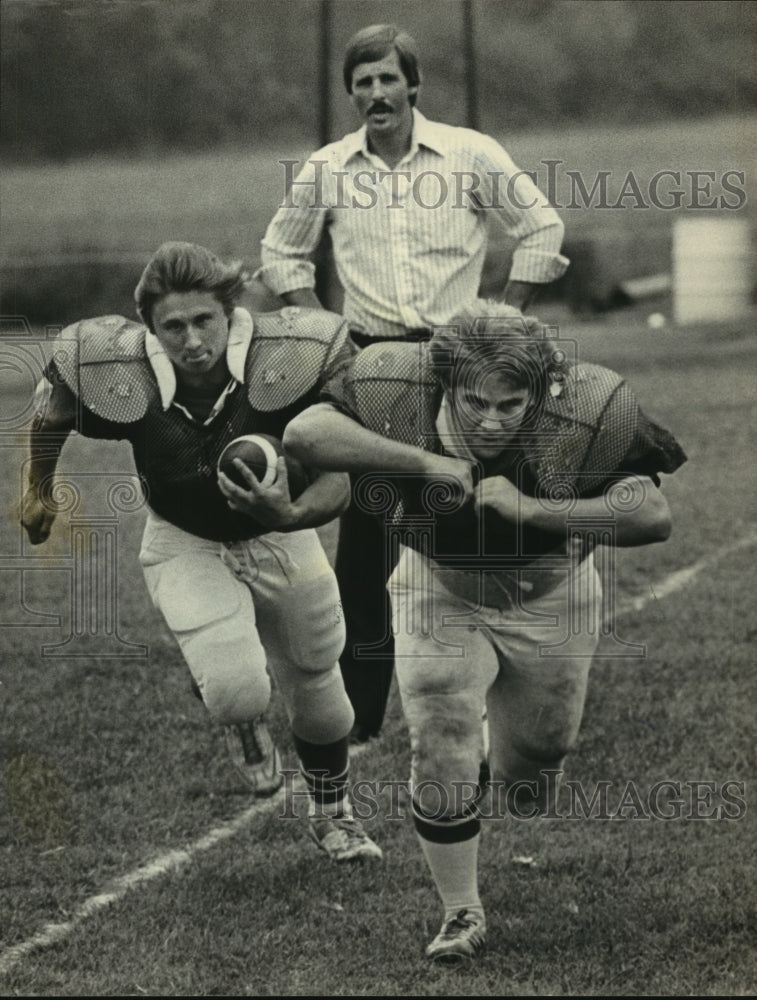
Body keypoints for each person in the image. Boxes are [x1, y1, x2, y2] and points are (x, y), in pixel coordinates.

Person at [283, 301, 686, 961]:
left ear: (541, 389)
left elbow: (651, 513)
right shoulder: (400, 385)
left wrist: (533, 505)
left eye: (512, 404)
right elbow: (304, 433)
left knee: (534, 768)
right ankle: (459, 912)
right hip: (436, 586)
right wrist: (419, 463)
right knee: (440, 739)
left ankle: (517, 752)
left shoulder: (583, 402)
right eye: (476, 402)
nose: (494, 420)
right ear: (443, 386)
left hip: (549, 595)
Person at [256, 23, 570, 743]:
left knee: (471, 534)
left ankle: (488, 705)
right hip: (369, 370)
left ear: (412, 84)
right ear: (351, 93)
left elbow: (542, 228)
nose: (375, 93)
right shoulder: (329, 167)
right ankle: (360, 720)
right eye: (361, 82)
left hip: (461, 366)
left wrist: (501, 320)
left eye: (386, 78)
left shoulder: (468, 153)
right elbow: (280, 254)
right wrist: (322, 337)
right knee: (365, 550)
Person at [20, 241, 382, 863]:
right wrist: (38, 489)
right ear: (149, 329)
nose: (191, 340)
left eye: (203, 321)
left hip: (277, 532)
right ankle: (239, 717)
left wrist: (290, 513)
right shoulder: (123, 375)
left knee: (320, 682)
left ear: (231, 312)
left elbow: (341, 477)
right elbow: (52, 415)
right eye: (173, 326)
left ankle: (335, 816)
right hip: (184, 538)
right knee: (239, 690)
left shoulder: (288, 362)